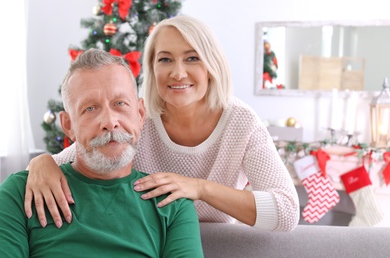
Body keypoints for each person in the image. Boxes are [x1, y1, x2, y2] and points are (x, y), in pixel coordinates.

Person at [25, 15, 300, 232]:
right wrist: (40, 162)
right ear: (153, 68)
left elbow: (287, 212)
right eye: (165, 59)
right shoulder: (139, 118)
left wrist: (199, 188)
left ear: (211, 65)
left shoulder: (240, 121)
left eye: (192, 58)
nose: (178, 73)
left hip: (215, 242)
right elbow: (73, 157)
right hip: (147, 236)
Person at [0, 48, 203, 257]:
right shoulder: (20, 193)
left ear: (140, 114)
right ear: (68, 125)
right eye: (90, 108)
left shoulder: (173, 204)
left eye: (120, 104)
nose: (110, 122)